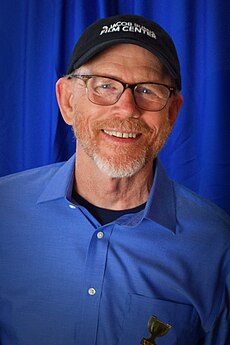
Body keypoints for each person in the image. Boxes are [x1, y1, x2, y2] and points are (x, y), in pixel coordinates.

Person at [0, 14, 229, 345]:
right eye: (105, 85)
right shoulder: (4, 213)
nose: (126, 109)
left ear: (173, 112)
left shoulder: (217, 246)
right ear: (67, 101)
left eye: (148, 90)